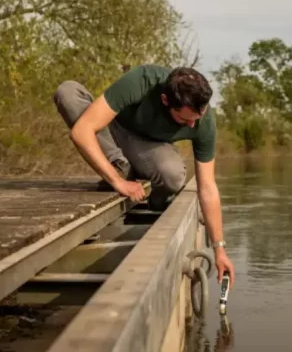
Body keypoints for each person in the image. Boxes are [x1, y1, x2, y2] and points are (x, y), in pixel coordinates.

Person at [53, 64, 235, 287]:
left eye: (198, 117)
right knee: (68, 92)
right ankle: (120, 167)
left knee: (173, 176)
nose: (192, 124)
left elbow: (207, 187)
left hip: (150, 149)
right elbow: (81, 131)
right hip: (113, 132)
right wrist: (117, 181)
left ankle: (153, 199)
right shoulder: (143, 80)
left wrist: (220, 249)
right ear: (166, 101)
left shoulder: (202, 121)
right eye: (184, 119)